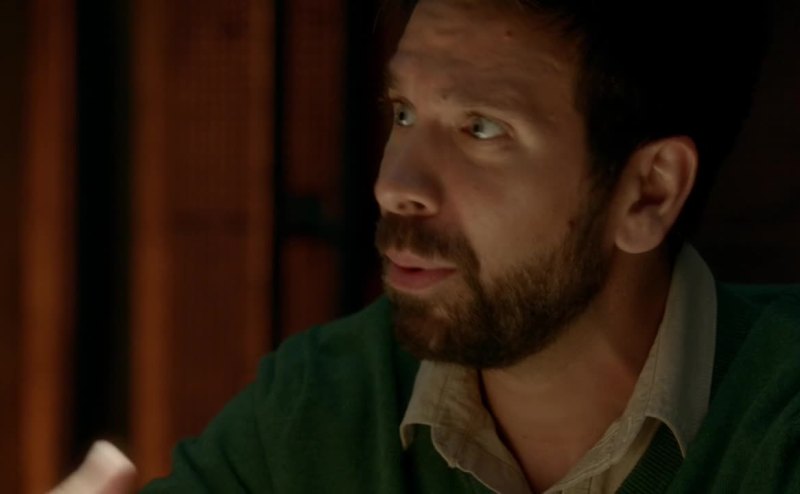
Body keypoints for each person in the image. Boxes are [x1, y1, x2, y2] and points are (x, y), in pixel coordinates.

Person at [55, 0, 800, 492]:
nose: (394, 185)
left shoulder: (776, 421)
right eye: (404, 112)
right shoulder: (324, 404)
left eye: (481, 128)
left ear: (648, 193)